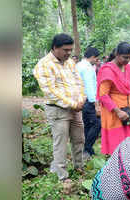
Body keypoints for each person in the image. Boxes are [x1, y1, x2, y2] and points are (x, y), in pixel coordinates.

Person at [33, 33, 86, 182]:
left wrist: (81, 99)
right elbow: (51, 91)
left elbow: (78, 82)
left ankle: (79, 167)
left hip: (76, 108)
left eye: (70, 50)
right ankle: (62, 176)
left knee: (79, 139)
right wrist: (73, 104)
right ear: (55, 48)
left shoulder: (69, 62)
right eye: (65, 50)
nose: (68, 53)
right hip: (58, 110)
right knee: (61, 142)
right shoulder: (43, 65)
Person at [97, 42, 130, 155]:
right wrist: (118, 111)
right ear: (117, 54)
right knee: (117, 143)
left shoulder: (129, 68)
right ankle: (118, 168)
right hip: (114, 111)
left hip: (128, 108)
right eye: (125, 57)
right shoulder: (108, 70)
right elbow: (103, 95)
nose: (127, 60)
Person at [77, 47, 101, 160]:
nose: (96, 61)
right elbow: (89, 86)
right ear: (92, 57)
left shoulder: (78, 65)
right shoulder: (87, 68)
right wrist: (95, 104)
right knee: (97, 124)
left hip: (81, 99)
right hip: (88, 101)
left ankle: (88, 150)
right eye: (96, 59)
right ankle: (87, 148)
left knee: (87, 125)